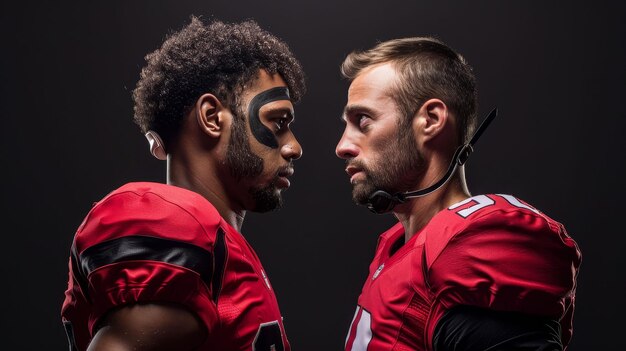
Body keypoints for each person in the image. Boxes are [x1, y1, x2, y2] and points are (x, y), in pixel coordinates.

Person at [61, 17, 305, 351]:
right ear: (211, 117)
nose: (294, 147)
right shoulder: (175, 228)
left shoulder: (220, 245)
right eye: (278, 122)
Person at [336, 37, 581, 350]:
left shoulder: (469, 248)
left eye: (363, 120)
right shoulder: (401, 244)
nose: (342, 146)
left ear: (432, 120)